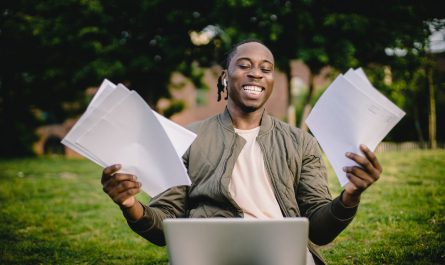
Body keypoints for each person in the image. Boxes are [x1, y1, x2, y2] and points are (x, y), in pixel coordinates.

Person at [101, 40, 382, 265]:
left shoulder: (301, 143)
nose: (256, 73)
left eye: (266, 68)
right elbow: (165, 225)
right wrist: (130, 205)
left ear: (271, 81)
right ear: (225, 78)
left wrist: (349, 196)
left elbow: (320, 230)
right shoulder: (187, 139)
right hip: (209, 257)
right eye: (244, 65)